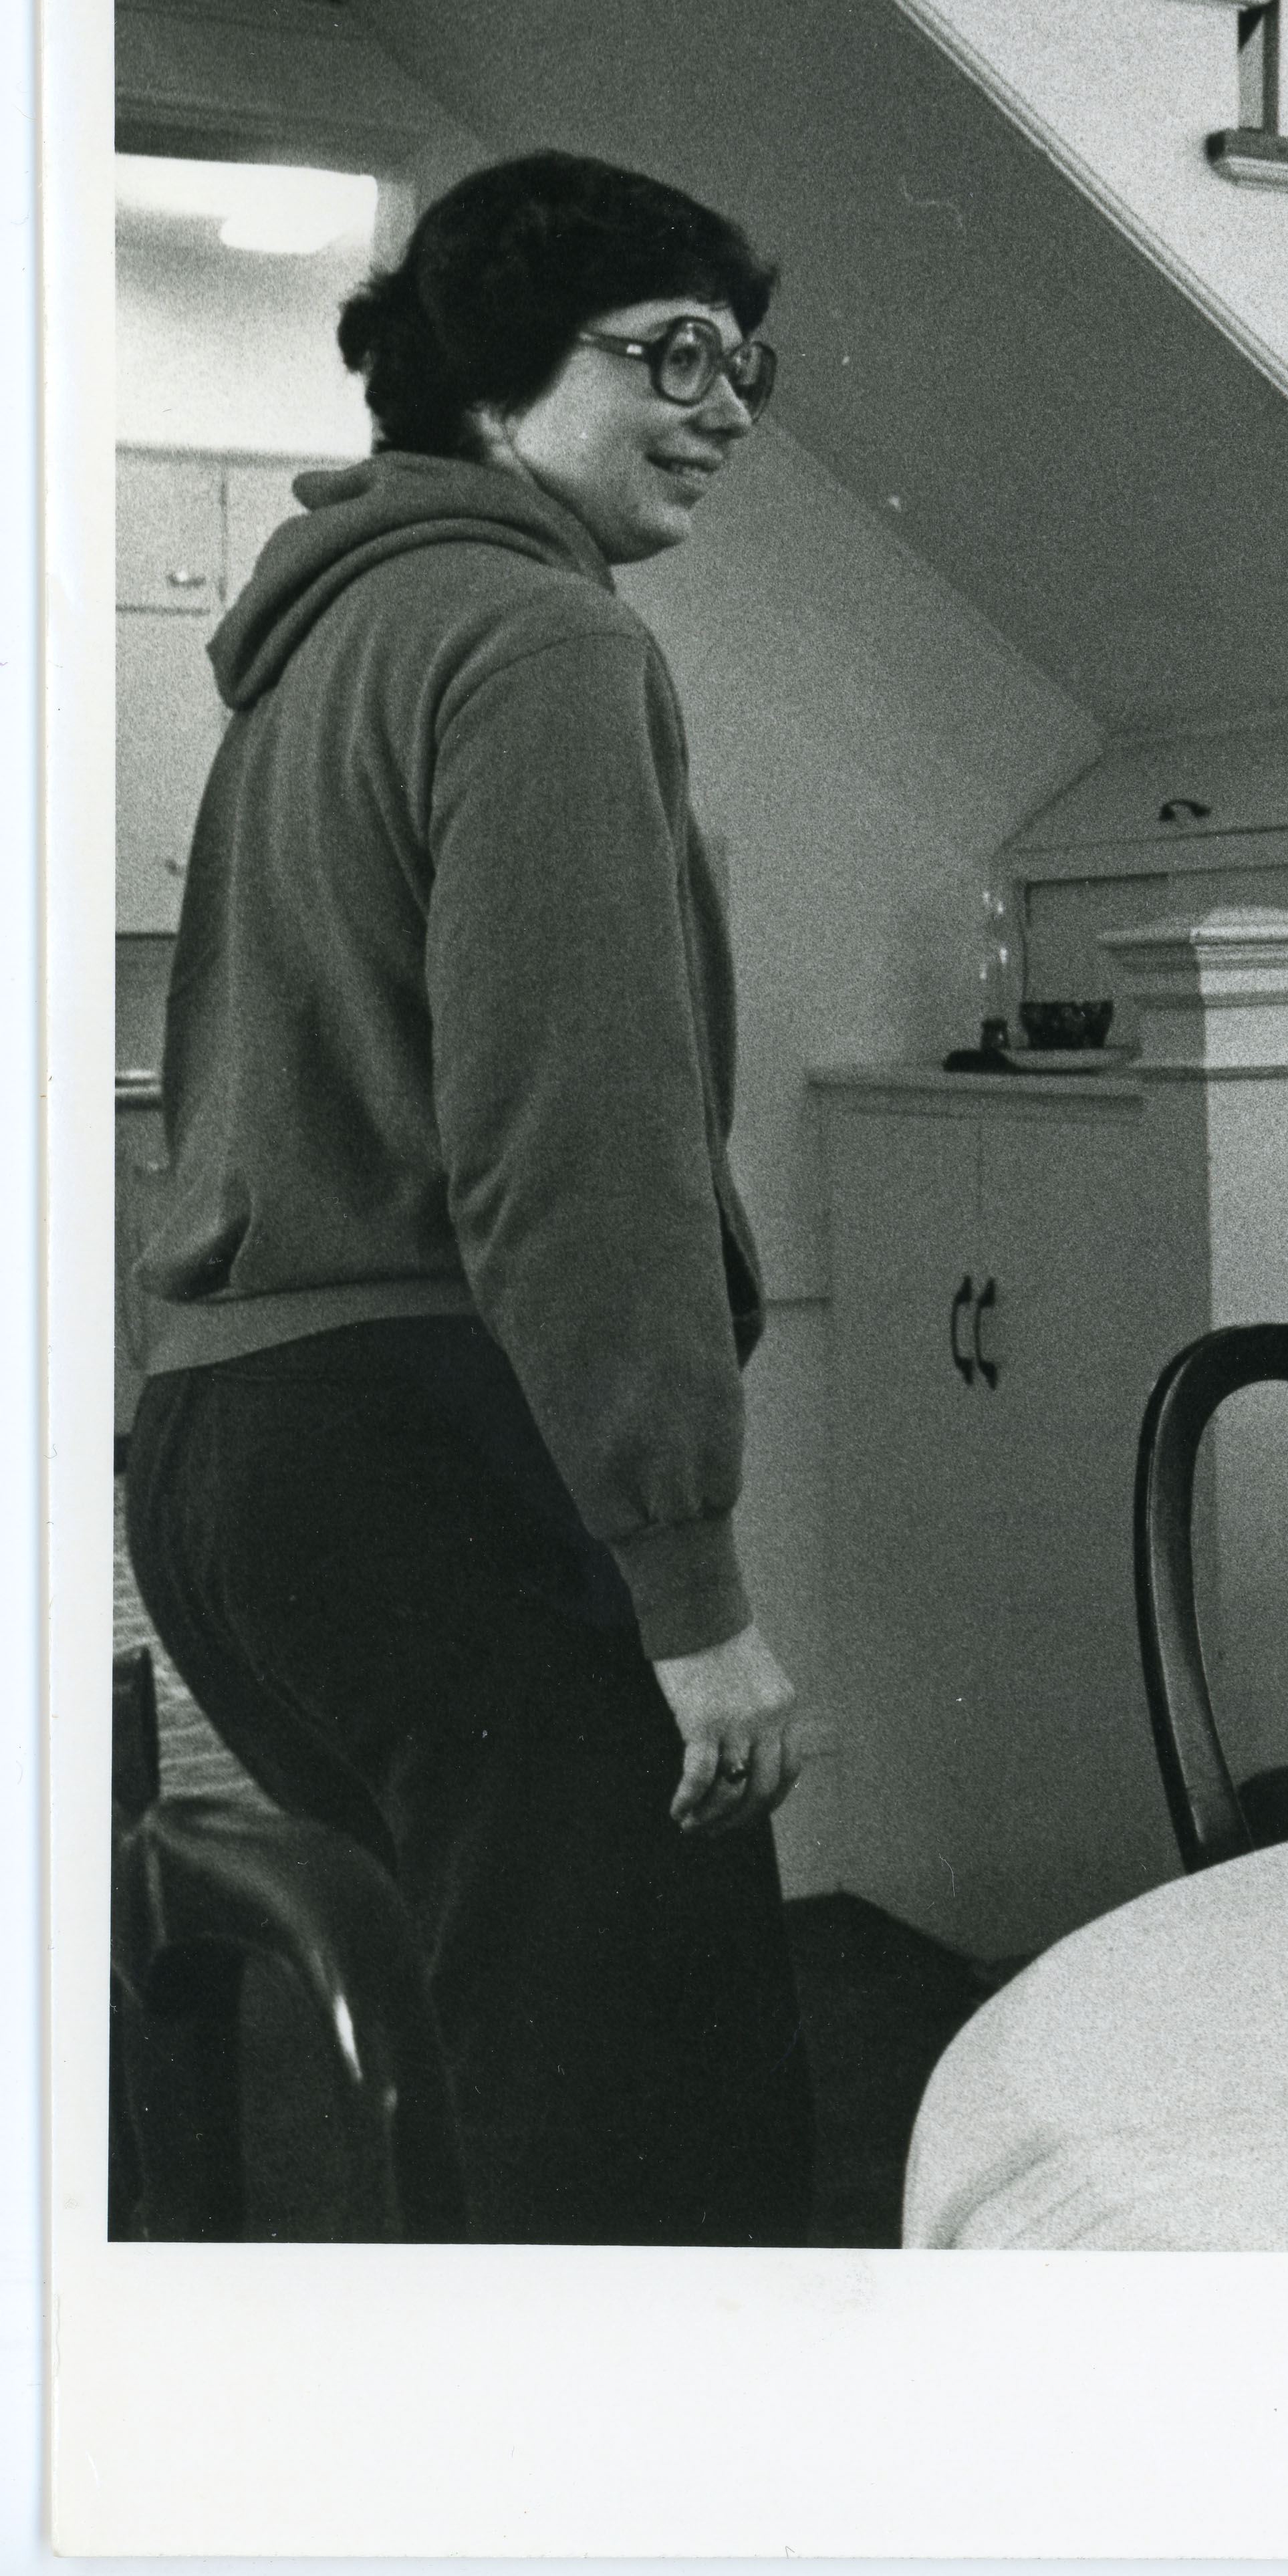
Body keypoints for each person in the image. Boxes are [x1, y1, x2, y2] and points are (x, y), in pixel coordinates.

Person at [124, 148, 813, 2243]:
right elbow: (575, 1146)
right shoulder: (539, 642)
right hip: (434, 1453)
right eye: (667, 350)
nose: (724, 404)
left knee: (517, 2087)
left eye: (743, 362)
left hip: (228, 1462)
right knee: (655, 2163)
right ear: (501, 377)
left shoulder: (324, 640)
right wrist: (690, 1593)